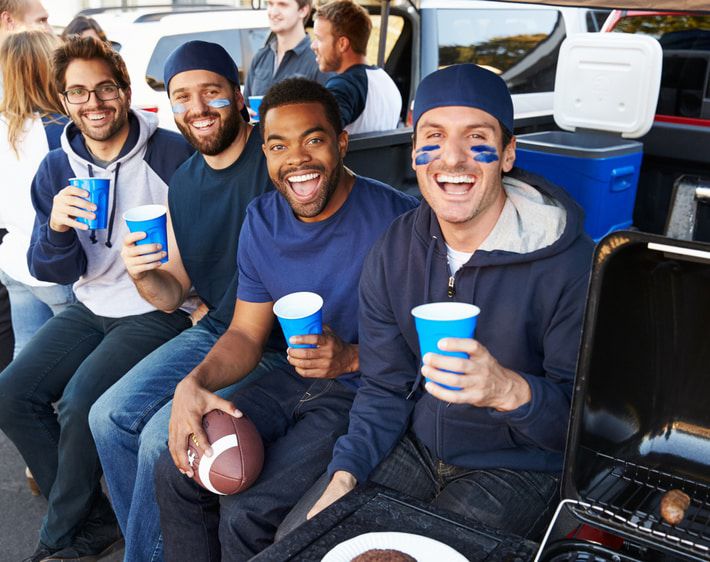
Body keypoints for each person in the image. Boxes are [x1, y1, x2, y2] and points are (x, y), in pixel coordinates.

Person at [306, 64, 595, 539]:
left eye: (475, 137)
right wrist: (346, 473)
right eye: (434, 137)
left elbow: (582, 433)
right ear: (416, 154)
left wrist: (508, 391)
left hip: (521, 467)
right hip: (415, 445)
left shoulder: (571, 264)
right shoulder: (393, 249)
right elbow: (383, 388)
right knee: (308, 540)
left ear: (506, 154)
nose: (453, 159)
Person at [153, 77, 418, 560]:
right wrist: (193, 383)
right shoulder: (262, 219)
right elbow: (245, 333)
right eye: (278, 146)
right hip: (293, 380)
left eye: (313, 140)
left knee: (247, 510)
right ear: (265, 152)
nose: (296, 159)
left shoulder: (400, 222)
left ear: (340, 143)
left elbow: (431, 348)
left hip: (365, 394)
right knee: (176, 468)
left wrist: (352, 358)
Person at [0, 36, 194, 562]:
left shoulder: (173, 154)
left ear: (125, 89)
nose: (94, 102)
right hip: (92, 305)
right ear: (63, 101)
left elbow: (205, 246)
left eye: (105, 88)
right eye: (78, 92)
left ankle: (57, 538)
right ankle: (94, 519)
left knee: (82, 402)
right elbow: (52, 269)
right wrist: (58, 228)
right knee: (12, 393)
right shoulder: (56, 168)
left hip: (160, 309)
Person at [89, 40, 275, 562]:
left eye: (211, 92)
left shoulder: (275, 159)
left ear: (239, 97)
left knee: (158, 439)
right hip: (219, 328)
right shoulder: (186, 181)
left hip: (273, 343)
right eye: (181, 97)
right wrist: (143, 274)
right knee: (106, 416)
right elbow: (174, 289)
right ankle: (146, 548)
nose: (196, 108)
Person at [0, 30, 75, 359]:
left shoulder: (5, 126)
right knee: (70, 367)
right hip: (58, 266)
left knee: (26, 361)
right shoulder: (63, 130)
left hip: (13, 260)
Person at [311, 0, 401, 134]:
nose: (313, 46)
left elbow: (318, 133)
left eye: (319, 39)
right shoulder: (386, 81)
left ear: (342, 44)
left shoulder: (343, 86)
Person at [242, 0, 329, 116]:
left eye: (282, 4)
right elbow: (245, 107)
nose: (273, 12)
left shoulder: (319, 61)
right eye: (270, 4)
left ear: (303, 10)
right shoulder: (260, 57)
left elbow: (328, 121)